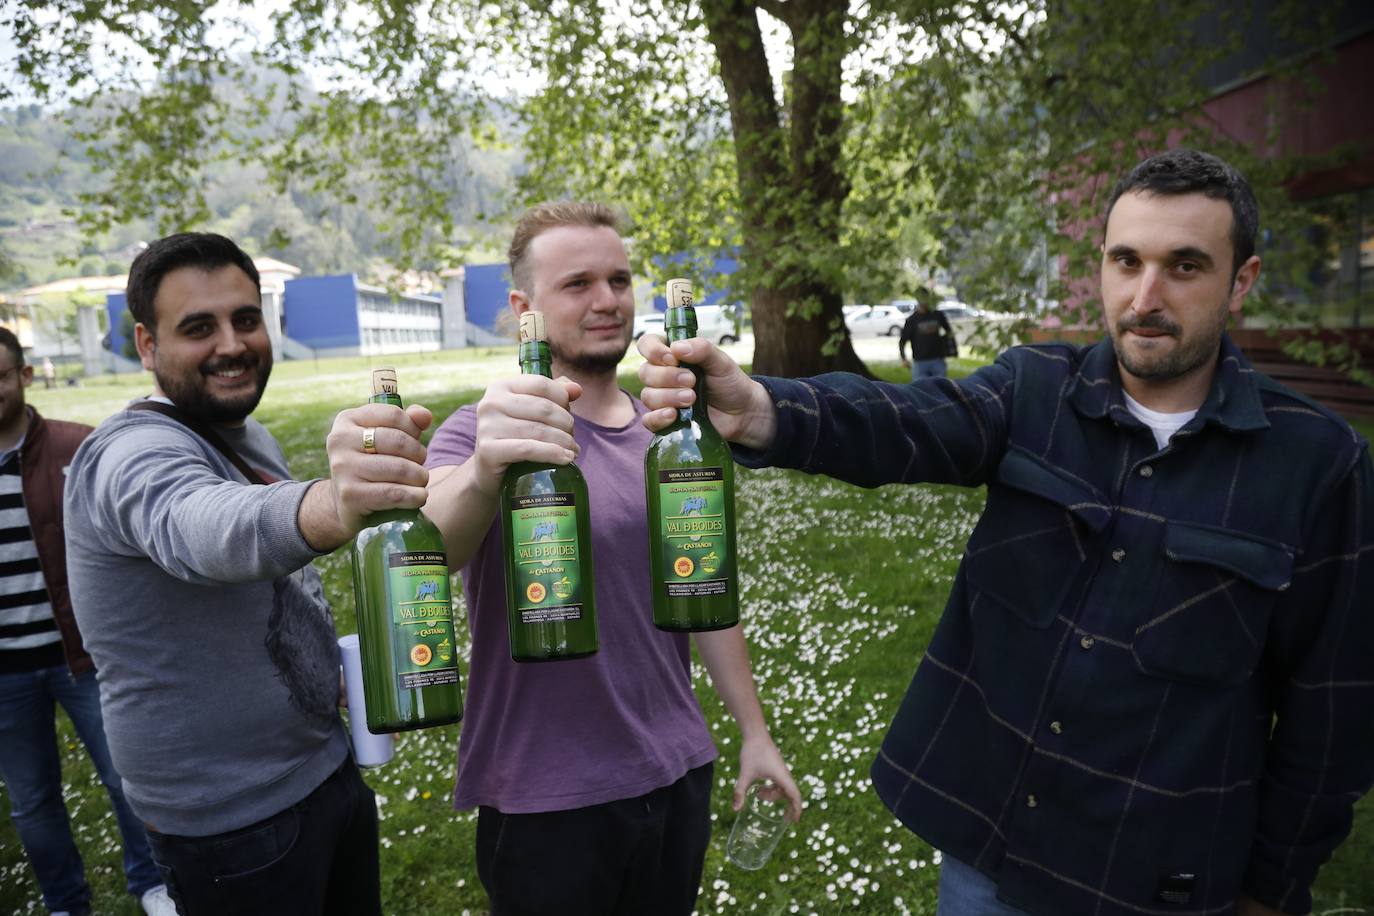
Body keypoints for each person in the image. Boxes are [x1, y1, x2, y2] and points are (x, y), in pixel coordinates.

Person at [637, 149, 1374, 916]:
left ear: (1241, 279)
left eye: (1184, 266)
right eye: (1127, 261)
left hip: (1159, 874)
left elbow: (1332, 721)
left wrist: (1272, 889)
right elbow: (910, 424)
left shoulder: (1318, 465)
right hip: (992, 858)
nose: (1145, 295)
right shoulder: (1035, 390)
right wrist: (758, 410)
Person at [419, 201, 802, 915]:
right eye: (578, 284)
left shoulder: (667, 438)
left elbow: (705, 596)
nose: (606, 301)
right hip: (547, 794)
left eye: (620, 280)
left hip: (675, 772)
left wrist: (755, 734)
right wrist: (482, 473)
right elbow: (431, 547)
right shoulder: (481, 433)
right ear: (523, 307)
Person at [63, 233, 431, 916]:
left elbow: (274, 587)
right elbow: (202, 529)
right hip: (233, 829)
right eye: (198, 327)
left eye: (246, 319)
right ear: (147, 345)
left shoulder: (246, 435)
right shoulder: (125, 455)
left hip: (325, 771)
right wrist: (336, 503)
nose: (232, 344)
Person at [0, 327, 174, 916]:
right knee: (31, 800)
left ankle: (152, 884)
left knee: (127, 781)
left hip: (79, 655)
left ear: (24, 377)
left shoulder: (81, 448)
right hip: (4, 671)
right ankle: (65, 902)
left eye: (0, 376)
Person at [898, 289, 956, 380]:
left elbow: (949, 332)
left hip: (938, 360)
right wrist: (904, 358)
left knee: (941, 390)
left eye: (925, 297)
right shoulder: (911, 320)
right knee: (919, 391)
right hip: (919, 362)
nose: (923, 301)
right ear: (917, 299)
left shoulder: (937, 315)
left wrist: (946, 346)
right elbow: (903, 341)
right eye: (920, 298)